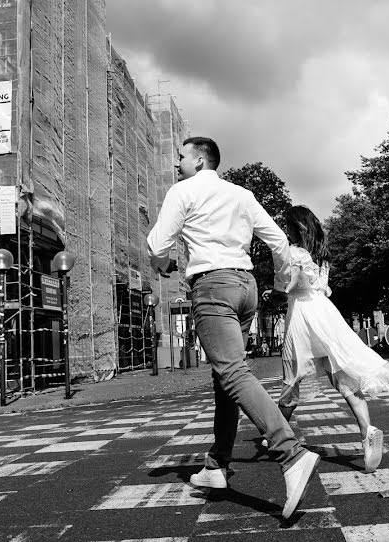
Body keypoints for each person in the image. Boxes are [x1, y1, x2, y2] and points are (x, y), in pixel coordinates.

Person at [146, 136, 320, 520]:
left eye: (181, 157)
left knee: (232, 371)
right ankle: (216, 465)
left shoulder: (183, 191)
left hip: (213, 287)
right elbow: (278, 240)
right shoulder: (242, 194)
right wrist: (278, 282)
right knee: (224, 376)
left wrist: (163, 265)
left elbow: (158, 244)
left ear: (201, 160)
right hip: (246, 286)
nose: (176, 164)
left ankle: (290, 452)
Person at [263, 205, 389, 473]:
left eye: (288, 225)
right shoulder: (323, 255)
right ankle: (367, 430)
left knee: (292, 376)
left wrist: (274, 295)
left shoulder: (295, 252)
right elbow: (322, 287)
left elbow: (293, 285)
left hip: (304, 316)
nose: (286, 230)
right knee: (341, 376)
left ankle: (275, 437)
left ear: (296, 227)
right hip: (326, 314)